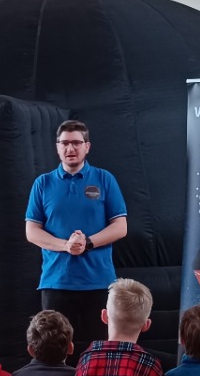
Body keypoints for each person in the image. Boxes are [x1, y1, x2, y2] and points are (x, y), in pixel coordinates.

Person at [24, 118, 128, 352]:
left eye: (76, 143)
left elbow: (121, 227)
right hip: (56, 282)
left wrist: (87, 243)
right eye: (64, 143)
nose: (70, 148)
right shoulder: (43, 183)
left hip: (98, 282)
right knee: (53, 351)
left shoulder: (104, 179)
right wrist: (66, 245)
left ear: (87, 146)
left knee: (99, 351)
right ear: (57, 147)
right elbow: (31, 231)